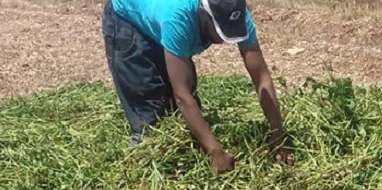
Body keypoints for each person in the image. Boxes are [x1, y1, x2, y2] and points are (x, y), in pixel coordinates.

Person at [101, 0, 293, 174]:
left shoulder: (233, 11)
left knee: (189, 122)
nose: (225, 40)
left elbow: (262, 78)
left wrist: (277, 134)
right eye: (220, 31)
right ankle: (142, 175)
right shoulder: (178, 18)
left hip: (161, 18)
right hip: (128, 21)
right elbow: (182, 96)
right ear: (203, 14)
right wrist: (215, 151)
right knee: (150, 119)